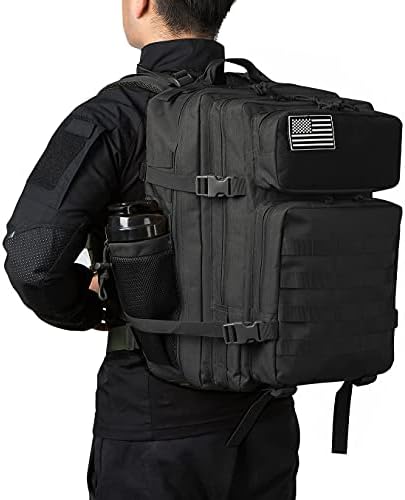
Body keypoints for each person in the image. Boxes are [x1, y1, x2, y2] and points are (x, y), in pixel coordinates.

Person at [3, 1, 300, 499]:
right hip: (266, 418)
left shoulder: (114, 115)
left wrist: (95, 307)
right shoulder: (273, 111)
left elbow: (32, 260)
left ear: (141, 3)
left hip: (153, 421)